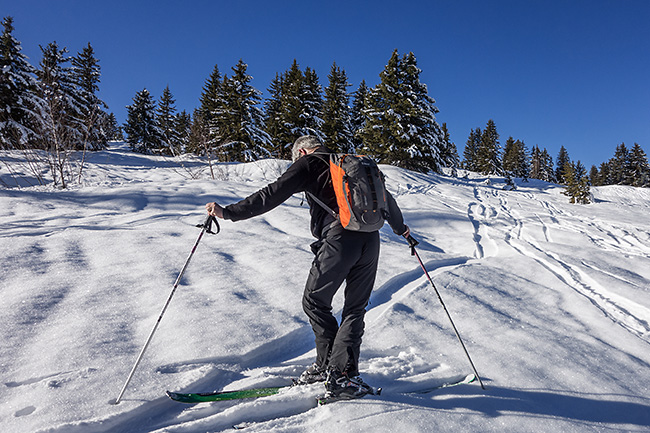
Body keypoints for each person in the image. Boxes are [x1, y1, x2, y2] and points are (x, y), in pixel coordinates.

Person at [205, 135, 410, 400]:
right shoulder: (350, 164)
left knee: (314, 300)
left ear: (301, 151)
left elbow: (271, 194)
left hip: (340, 237)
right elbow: (385, 197)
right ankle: (342, 374)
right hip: (371, 239)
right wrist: (401, 229)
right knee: (355, 308)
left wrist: (229, 212)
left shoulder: (308, 164)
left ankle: (334, 371)